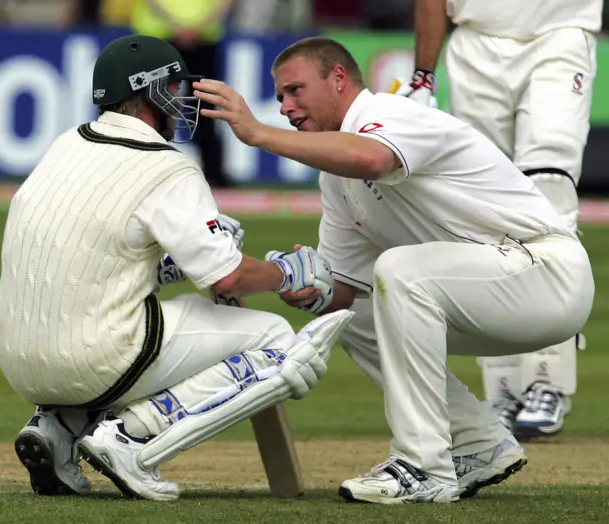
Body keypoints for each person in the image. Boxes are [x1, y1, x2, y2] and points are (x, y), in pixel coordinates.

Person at [192, 36, 595, 504]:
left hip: (545, 273)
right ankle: (476, 442)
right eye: (280, 96)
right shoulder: (335, 178)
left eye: (295, 90)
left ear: (338, 78)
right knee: (348, 318)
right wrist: (262, 275)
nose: (285, 106)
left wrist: (257, 134)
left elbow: (374, 158)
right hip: (489, 292)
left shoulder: (394, 114)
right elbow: (341, 290)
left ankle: (423, 465)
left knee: (400, 269)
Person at [0, 34, 353, 501]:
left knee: (142, 317)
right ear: (153, 92)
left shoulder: (65, 145)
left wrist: (176, 263)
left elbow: (101, 248)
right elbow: (228, 277)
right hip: (93, 355)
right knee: (279, 342)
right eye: (176, 88)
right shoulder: (167, 167)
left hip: (19, 361)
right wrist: (289, 272)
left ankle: (59, 428)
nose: (182, 100)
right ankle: (134, 437)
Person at [394, 0, 603, 438]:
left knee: (550, 188)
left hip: (560, 33)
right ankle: (505, 383)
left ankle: (547, 378)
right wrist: (423, 75)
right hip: (475, 42)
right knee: (484, 212)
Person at [131, 0, 236, 187]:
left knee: (203, 105)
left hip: (194, 37)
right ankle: (150, 168)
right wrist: (192, 26)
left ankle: (212, 172)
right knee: (156, 106)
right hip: (162, 35)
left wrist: (184, 26)